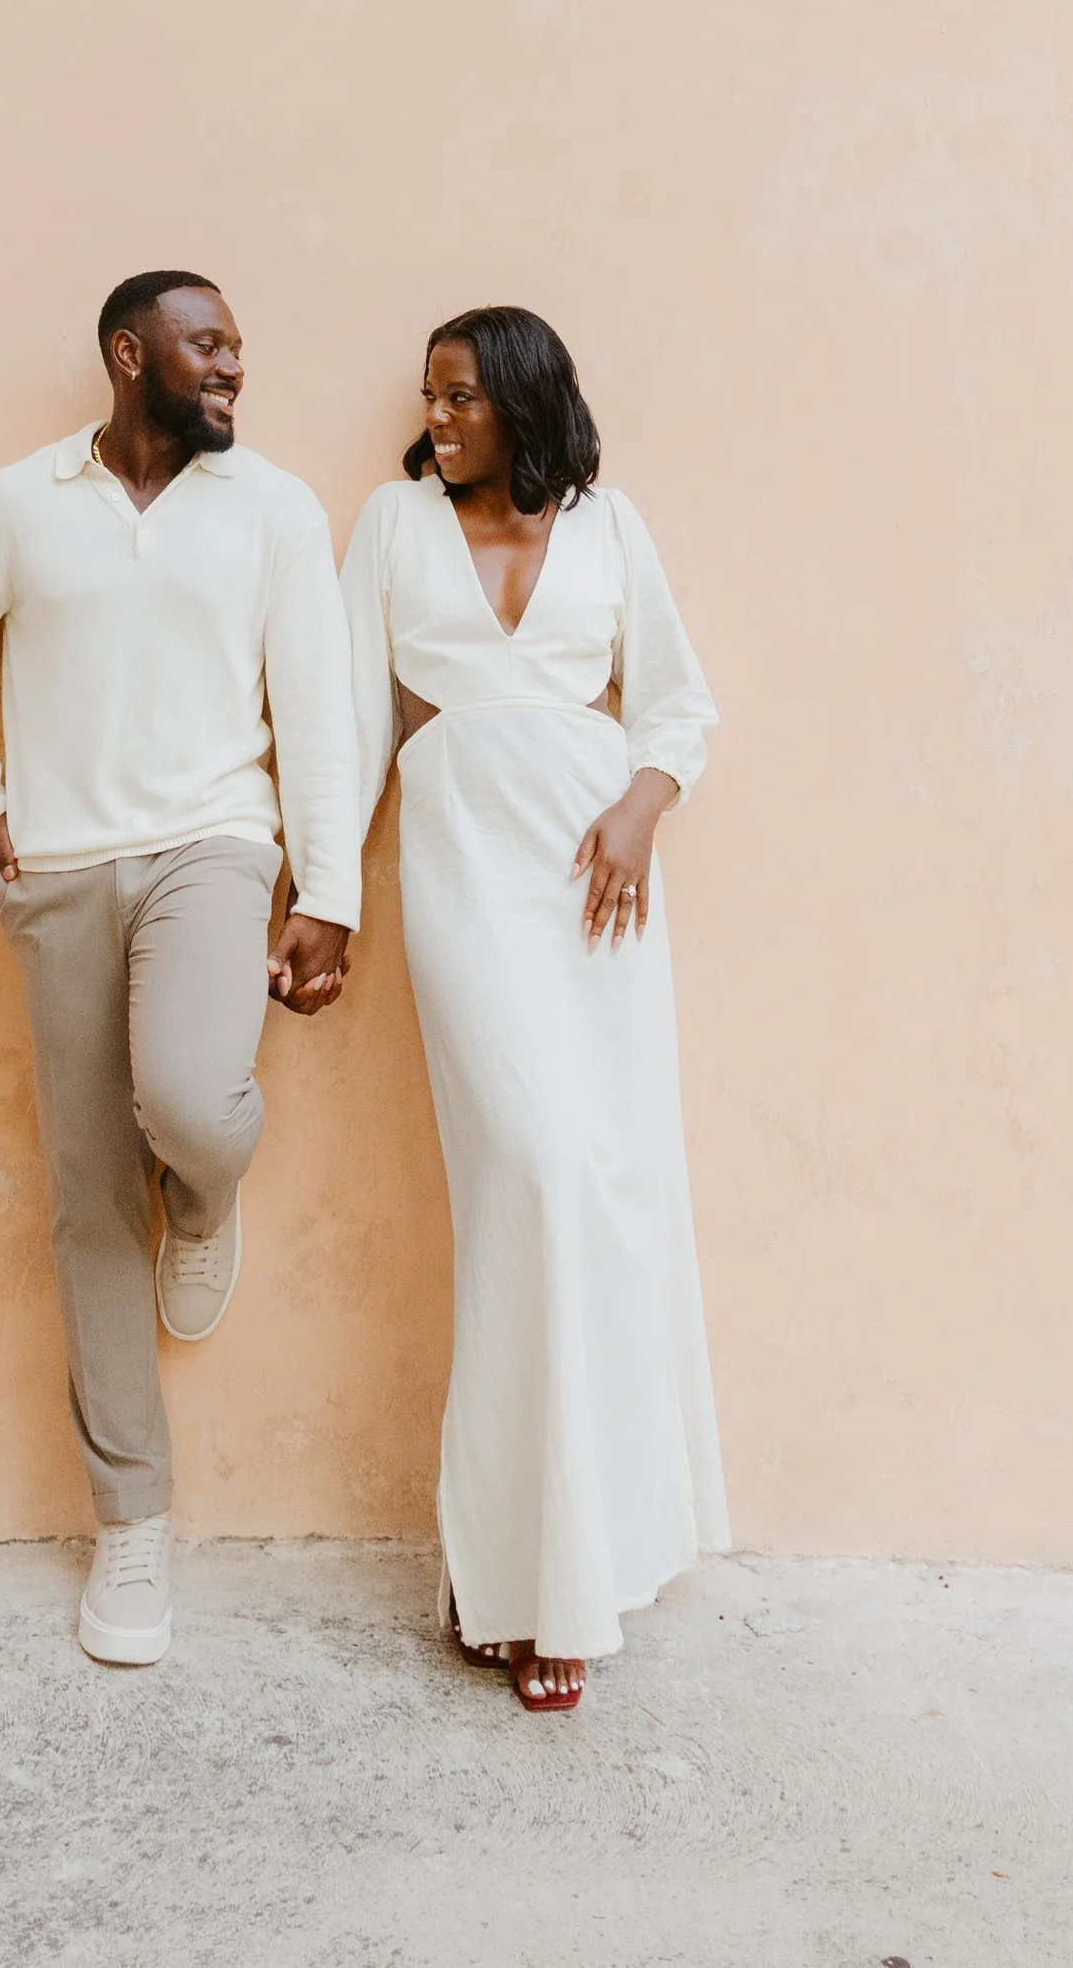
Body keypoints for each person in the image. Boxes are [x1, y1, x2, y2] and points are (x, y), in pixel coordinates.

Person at [0, 270, 361, 1668]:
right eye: (208, 344)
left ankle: (206, 1197)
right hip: (57, 868)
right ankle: (134, 1527)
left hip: (214, 846)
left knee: (195, 1103)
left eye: (237, 349)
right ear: (128, 352)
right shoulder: (12, 507)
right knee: (90, 1202)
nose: (232, 367)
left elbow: (318, 705)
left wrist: (326, 888)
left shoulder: (275, 508)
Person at [341, 305, 727, 1711]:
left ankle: (552, 1572)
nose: (436, 417)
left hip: (594, 878)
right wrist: (323, 895)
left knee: (606, 1191)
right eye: (428, 398)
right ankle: (513, 1557)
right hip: (462, 865)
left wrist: (639, 804)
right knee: (536, 1172)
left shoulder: (612, 527)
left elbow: (678, 705)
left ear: (519, 398)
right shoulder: (391, 525)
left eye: (459, 396)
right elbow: (347, 724)